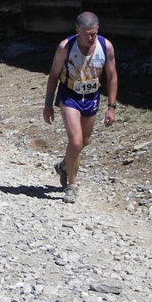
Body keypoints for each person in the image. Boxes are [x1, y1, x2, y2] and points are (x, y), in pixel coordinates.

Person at [43, 12, 118, 204]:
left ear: (98, 29)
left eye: (93, 33)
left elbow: (112, 76)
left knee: (84, 142)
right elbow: (53, 75)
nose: (90, 38)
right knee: (75, 142)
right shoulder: (65, 47)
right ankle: (72, 186)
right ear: (77, 31)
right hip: (69, 95)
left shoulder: (105, 46)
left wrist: (111, 107)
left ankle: (63, 166)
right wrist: (48, 104)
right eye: (86, 34)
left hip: (91, 96)